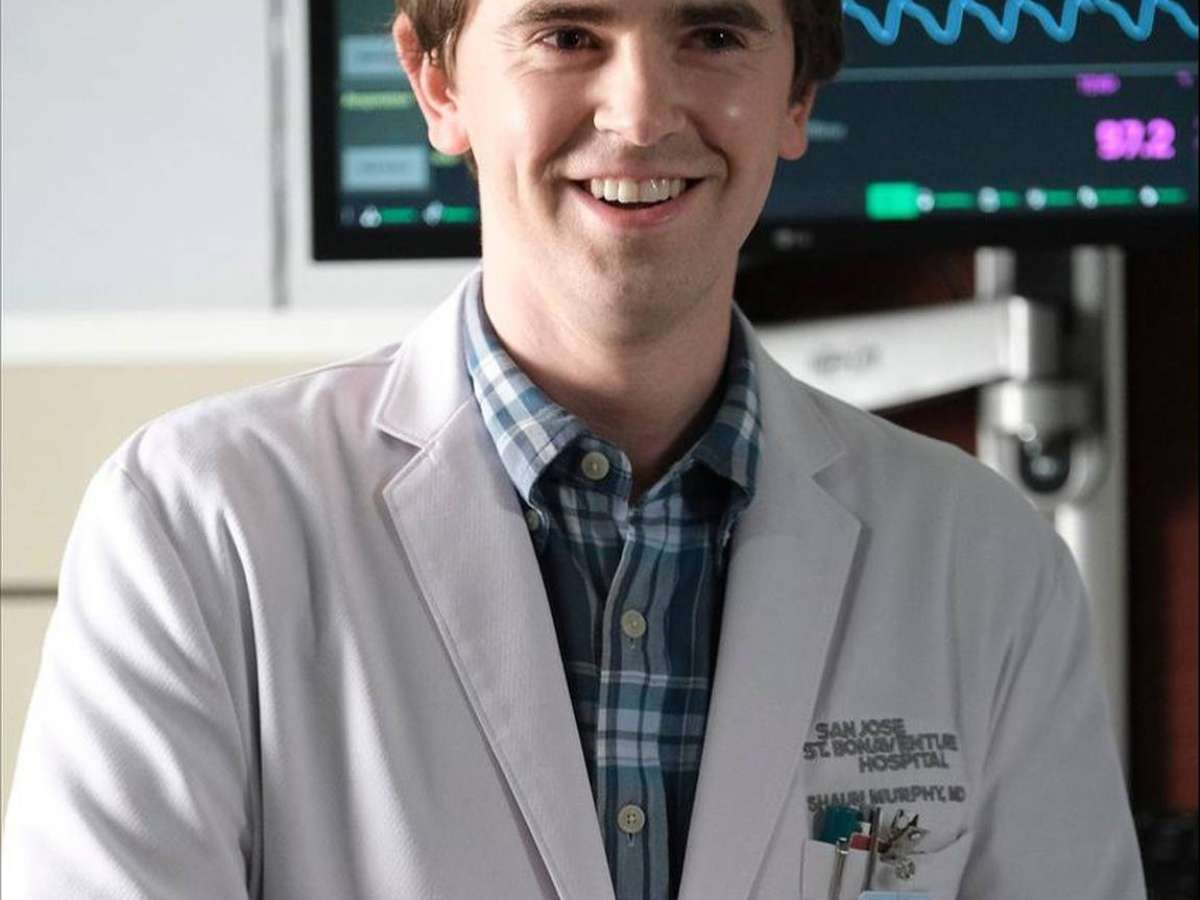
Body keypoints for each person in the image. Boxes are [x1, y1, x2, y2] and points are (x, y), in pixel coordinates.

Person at [2, 0, 1145, 897]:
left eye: (712, 33)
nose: (640, 113)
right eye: (566, 33)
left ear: (797, 94)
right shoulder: (195, 528)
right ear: (438, 83)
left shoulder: (989, 567)